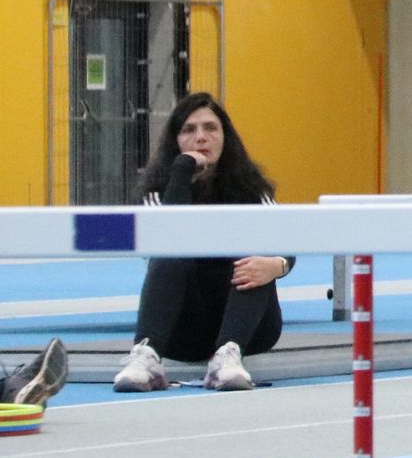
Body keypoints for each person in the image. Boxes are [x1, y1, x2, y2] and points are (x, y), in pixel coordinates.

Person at [112, 94, 295, 394]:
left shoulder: (253, 189)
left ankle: (228, 355)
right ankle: (146, 355)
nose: (201, 138)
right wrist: (182, 172)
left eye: (210, 128)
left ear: (225, 137)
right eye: (189, 130)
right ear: (175, 141)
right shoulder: (155, 193)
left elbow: (285, 242)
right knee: (171, 249)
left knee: (255, 255)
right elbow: (166, 236)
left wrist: (278, 265)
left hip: (251, 329)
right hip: (182, 333)